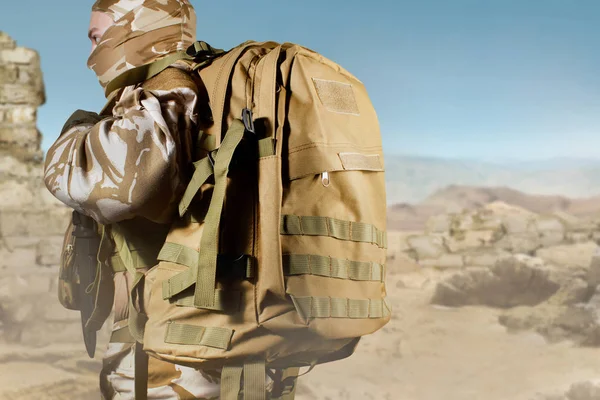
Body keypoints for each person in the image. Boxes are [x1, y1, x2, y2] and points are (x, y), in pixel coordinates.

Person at [43, 1, 233, 398]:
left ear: (134, 29)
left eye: (97, 37)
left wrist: (74, 135)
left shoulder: (167, 92)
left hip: (174, 359)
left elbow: (95, 185)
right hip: (203, 341)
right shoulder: (212, 93)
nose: (92, 54)